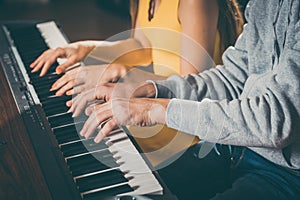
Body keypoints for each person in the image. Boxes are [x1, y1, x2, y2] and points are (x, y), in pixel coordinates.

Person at [66, 0, 300, 199]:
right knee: (128, 188)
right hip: (240, 146)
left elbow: (274, 121)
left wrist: (152, 110)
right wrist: (152, 90)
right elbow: (232, 78)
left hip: (287, 172)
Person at [30, 0, 244, 166]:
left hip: (185, 122)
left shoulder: (194, 2)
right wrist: (85, 49)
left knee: (92, 146)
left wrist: (117, 71)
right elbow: (142, 45)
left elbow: (192, 85)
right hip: (157, 102)